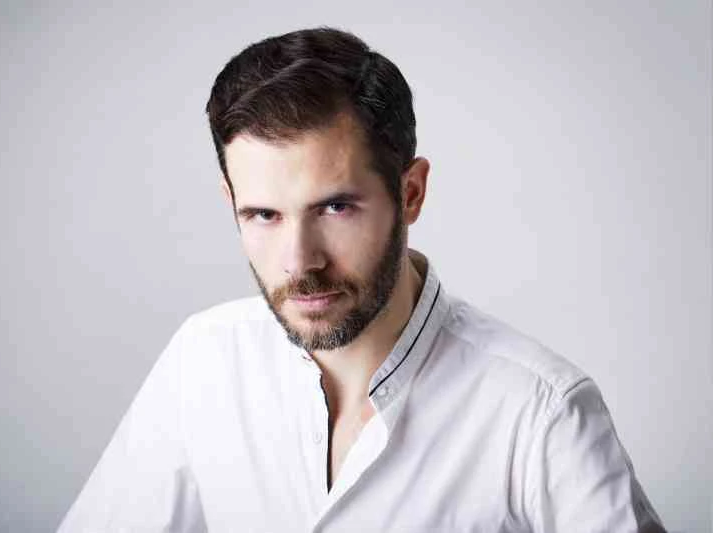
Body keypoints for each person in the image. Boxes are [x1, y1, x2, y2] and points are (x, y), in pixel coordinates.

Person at [58, 27, 665, 532]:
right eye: (264, 215)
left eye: (335, 207)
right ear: (231, 202)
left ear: (411, 193)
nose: (300, 261)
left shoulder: (542, 413)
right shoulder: (204, 360)